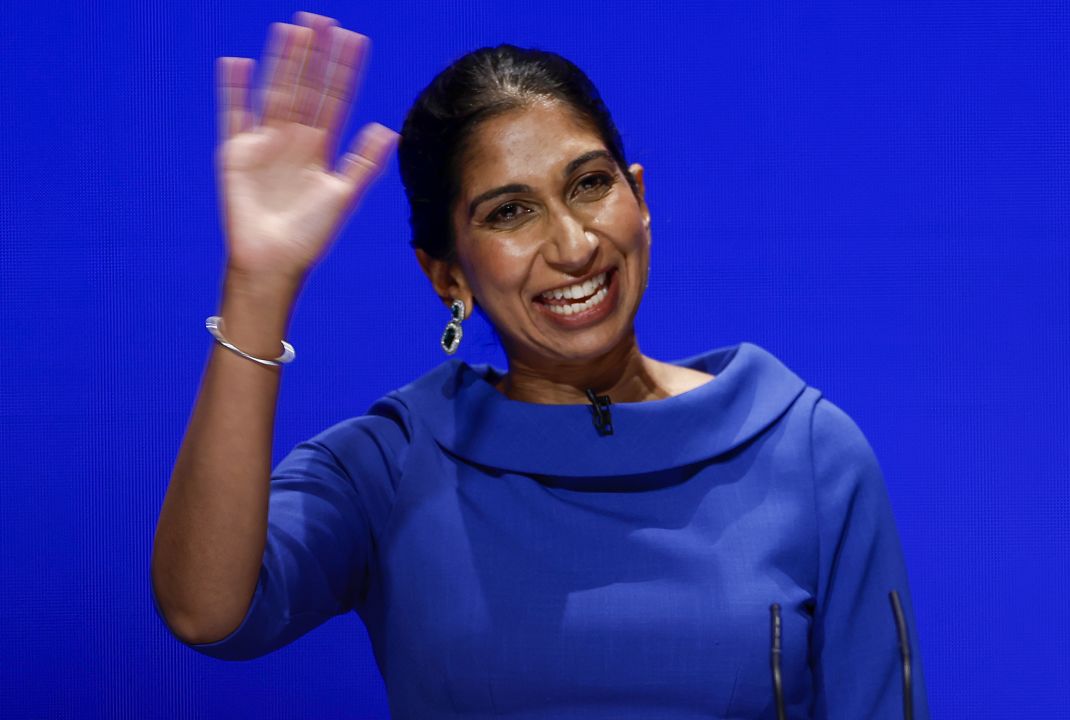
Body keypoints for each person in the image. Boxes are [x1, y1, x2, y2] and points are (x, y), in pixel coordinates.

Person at [150, 11, 929, 719]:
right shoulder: (395, 464)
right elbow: (206, 611)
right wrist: (259, 283)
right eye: (510, 212)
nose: (574, 244)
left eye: (590, 185)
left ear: (639, 196)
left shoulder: (806, 449)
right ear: (446, 274)